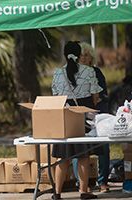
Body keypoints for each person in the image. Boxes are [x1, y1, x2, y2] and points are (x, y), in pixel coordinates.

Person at [51, 41, 102, 200]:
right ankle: (83, 190)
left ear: (65, 55)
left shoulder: (57, 73)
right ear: (80, 55)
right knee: (83, 156)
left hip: (64, 116)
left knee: (63, 157)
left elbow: (55, 96)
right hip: (83, 116)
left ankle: (57, 193)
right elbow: (95, 96)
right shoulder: (89, 71)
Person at [71, 42, 111, 193]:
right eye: (80, 55)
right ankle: (82, 184)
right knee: (79, 150)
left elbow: (102, 95)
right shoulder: (71, 73)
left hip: (97, 114)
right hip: (79, 115)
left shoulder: (97, 72)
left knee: (104, 147)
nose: (83, 58)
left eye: (86, 55)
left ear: (91, 58)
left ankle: (103, 181)